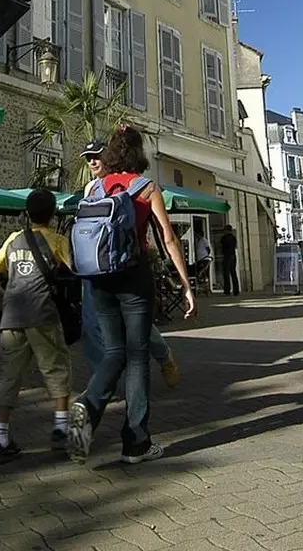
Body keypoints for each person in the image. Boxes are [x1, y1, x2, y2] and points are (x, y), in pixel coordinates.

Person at [67, 126, 195, 465]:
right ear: (139, 153)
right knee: (137, 356)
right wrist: (185, 284)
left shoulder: (94, 187)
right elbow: (168, 238)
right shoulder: (146, 188)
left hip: (98, 278)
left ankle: (88, 404)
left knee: (113, 351)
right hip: (134, 277)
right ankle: (136, 442)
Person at [79, 139, 180, 390]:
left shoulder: (135, 185)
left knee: (137, 328)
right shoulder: (91, 188)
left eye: (97, 156)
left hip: (129, 263)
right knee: (91, 326)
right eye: (88, 158)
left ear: (110, 157)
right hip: (96, 267)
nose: (92, 161)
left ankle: (162, 355)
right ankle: (101, 382)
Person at [0, 189, 72, 465]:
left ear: (26, 214)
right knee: (56, 369)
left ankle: (0, 439)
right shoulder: (57, 240)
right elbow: (76, 268)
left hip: (11, 317)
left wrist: (2, 298)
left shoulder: (13, 239)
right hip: (43, 315)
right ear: (53, 215)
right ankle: (60, 428)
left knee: (9, 377)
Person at [220, 225, 239, 296]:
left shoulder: (225, 238)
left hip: (227, 256)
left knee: (226, 273)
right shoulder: (233, 237)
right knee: (233, 273)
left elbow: (222, 245)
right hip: (233, 256)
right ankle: (236, 290)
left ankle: (227, 290)